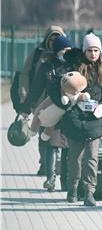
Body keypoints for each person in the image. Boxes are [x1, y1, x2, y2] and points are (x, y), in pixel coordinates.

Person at [60, 33, 102, 206]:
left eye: (96, 50)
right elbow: (65, 89)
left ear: (100, 52)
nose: (93, 53)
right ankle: (72, 188)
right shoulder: (74, 68)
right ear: (84, 51)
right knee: (74, 158)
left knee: (92, 158)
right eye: (90, 50)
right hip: (76, 118)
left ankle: (89, 192)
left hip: (95, 120)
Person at [18, 25, 66, 176]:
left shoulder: (67, 55)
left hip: (60, 100)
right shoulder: (38, 53)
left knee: (59, 134)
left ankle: (57, 164)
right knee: (43, 133)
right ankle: (45, 164)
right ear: (46, 38)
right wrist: (24, 91)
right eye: (51, 38)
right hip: (41, 100)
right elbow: (25, 73)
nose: (53, 41)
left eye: (56, 38)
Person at [28, 35, 72, 192]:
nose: (64, 53)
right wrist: (31, 105)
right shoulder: (48, 66)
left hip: (69, 109)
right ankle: (51, 178)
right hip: (52, 107)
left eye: (67, 50)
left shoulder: (74, 65)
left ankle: (66, 181)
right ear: (56, 51)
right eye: (62, 50)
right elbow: (37, 86)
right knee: (52, 143)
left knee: (67, 145)